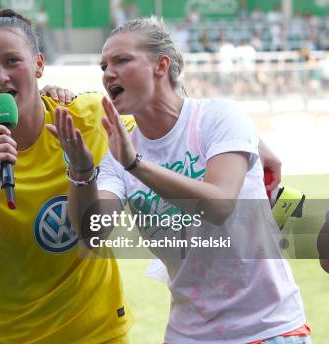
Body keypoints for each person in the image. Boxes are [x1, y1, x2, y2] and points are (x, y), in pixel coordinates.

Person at [51, 16, 310, 344]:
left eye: (122, 60)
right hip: (187, 335)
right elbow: (92, 232)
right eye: (103, 66)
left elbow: (219, 204)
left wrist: (136, 165)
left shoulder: (217, 118)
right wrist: (81, 173)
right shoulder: (118, 155)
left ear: (161, 65)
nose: (108, 74)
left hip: (268, 329)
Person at [0, 9, 136, 343]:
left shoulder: (86, 116)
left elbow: (167, 123)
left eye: (12, 61)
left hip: (101, 332)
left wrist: (244, 139)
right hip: (14, 336)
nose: (0, 77)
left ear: (39, 65)